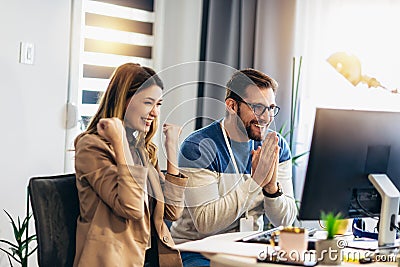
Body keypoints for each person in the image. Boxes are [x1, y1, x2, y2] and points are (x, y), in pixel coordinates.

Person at [170, 68, 297, 266]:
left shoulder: (275, 146)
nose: (266, 117)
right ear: (232, 106)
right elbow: (206, 224)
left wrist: (271, 189)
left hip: (249, 250)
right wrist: (255, 182)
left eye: (271, 108)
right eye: (257, 107)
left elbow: (285, 221)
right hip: (198, 251)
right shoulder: (198, 147)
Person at [73, 63, 188, 267]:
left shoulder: (139, 149)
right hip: (115, 260)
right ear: (124, 100)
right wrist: (119, 143)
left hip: (150, 259)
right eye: (148, 102)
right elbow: (131, 207)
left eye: (158, 104)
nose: (154, 112)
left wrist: (171, 149)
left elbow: (173, 212)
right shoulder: (91, 146)